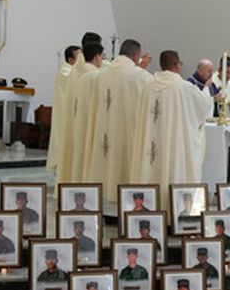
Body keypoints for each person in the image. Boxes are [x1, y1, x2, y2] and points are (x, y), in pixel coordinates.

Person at [129, 50, 212, 210]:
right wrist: (206, 90)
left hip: (151, 144)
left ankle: (150, 210)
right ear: (176, 65)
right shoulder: (184, 87)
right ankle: (173, 212)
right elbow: (203, 109)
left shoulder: (148, 85)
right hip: (173, 146)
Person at [85, 39, 152, 200]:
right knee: (125, 165)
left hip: (105, 131)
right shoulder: (141, 77)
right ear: (136, 57)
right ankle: (124, 202)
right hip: (127, 133)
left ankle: (103, 201)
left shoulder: (101, 74)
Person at [58, 40, 104, 183]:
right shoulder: (96, 77)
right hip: (92, 124)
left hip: (78, 123)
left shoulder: (78, 76)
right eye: (102, 56)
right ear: (97, 57)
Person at [47, 45, 81, 175]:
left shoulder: (72, 72)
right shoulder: (65, 73)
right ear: (71, 60)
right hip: (64, 117)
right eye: (79, 56)